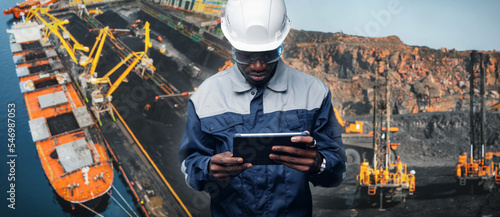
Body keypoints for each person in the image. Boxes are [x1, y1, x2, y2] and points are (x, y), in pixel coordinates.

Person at [178, 0, 347, 216]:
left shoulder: (314, 93)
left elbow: (338, 171)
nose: (258, 66)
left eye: (268, 54)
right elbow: (189, 164)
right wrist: (207, 168)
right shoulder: (205, 97)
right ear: (232, 46)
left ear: (281, 43)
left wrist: (319, 164)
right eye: (246, 55)